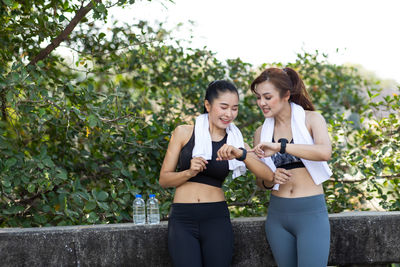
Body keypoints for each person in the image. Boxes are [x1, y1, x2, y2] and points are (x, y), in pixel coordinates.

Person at [159, 80, 273, 267]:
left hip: (216, 218)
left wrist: (241, 154)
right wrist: (189, 172)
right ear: (208, 105)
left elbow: (268, 177)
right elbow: (164, 180)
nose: (229, 114)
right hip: (183, 219)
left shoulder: (236, 143)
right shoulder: (183, 133)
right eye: (224, 107)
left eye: (234, 108)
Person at [250, 67, 332, 267]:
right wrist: (270, 177)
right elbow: (260, 182)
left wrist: (281, 146)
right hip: (278, 215)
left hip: (310, 214)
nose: (262, 103)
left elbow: (324, 152)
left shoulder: (312, 119)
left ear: (286, 94)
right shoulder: (261, 132)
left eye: (268, 97)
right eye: (259, 97)